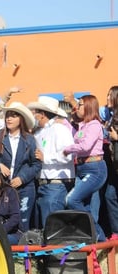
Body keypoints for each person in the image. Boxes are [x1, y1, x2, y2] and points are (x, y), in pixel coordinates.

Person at [0, 102, 42, 231]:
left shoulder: (29, 139)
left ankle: (22, 250)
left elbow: (36, 164)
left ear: (21, 119)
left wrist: (22, 178)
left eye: (14, 116)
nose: (9, 119)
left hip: (25, 188)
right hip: (3, 186)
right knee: (2, 221)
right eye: (8, 115)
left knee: (23, 222)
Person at [63, 95, 107, 242]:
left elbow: (85, 146)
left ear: (88, 107)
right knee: (83, 203)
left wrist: (67, 149)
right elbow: (77, 137)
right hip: (82, 168)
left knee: (72, 199)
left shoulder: (94, 124)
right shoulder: (83, 125)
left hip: (95, 168)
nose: (77, 108)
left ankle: (98, 234)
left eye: (80, 105)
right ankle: (93, 235)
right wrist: (64, 122)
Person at [27, 96, 75, 228]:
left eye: (36, 112)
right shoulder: (40, 133)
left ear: (42, 115)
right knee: (44, 226)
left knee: (52, 228)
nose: (34, 116)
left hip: (56, 185)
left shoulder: (59, 130)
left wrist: (45, 158)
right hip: (43, 184)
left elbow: (68, 155)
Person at [99, 86, 118, 239]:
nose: (107, 99)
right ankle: (116, 232)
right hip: (114, 165)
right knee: (110, 196)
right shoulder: (110, 117)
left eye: (109, 95)